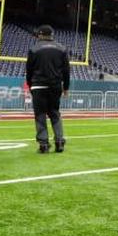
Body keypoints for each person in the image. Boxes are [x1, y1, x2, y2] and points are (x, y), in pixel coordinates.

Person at [26, 25, 71, 153]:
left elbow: (29, 70)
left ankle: (44, 144)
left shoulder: (34, 49)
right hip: (55, 86)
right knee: (55, 113)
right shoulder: (62, 49)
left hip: (38, 86)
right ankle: (59, 142)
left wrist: (30, 85)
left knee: (40, 115)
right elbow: (66, 71)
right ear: (52, 35)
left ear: (40, 35)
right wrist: (66, 87)